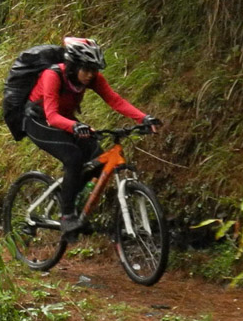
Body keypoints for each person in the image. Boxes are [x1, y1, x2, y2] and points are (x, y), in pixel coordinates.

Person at [24, 37, 160, 234]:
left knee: (98, 160)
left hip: (66, 121)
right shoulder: (52, 75)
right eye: (86, 69)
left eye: (94, 69)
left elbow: (115, 100)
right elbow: (52, 116)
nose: (90, 75)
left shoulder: (94, 78)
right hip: (38, 121)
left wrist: (144, 118)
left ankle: (71, 197)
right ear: (73, 66)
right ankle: (67, 215)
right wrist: (76, 126)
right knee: (73, 158)